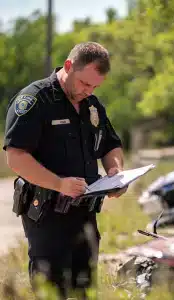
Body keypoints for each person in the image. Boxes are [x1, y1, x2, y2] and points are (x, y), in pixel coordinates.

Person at [3, 41, 127, 299]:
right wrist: (59, 184)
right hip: (47, 215)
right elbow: (16, 157)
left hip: (85, 214)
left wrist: (116, 172)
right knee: (52, 290)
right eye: (84, 83)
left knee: (84, 288)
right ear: (69, 66)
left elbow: (110, 144)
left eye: (95, 86)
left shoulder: (92, 104)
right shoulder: (35, 100)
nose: (88, 91)